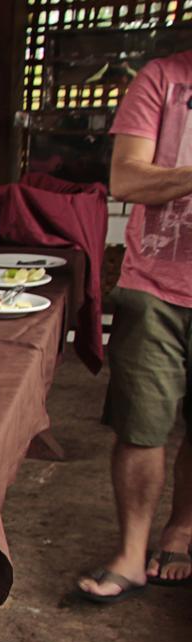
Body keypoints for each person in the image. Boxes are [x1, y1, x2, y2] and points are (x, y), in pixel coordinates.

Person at [78, 50, 192, 602]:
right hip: (157, 286)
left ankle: (182, 532)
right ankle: (132, 551)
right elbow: (126, 178)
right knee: (142, 423)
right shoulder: (166, 80)